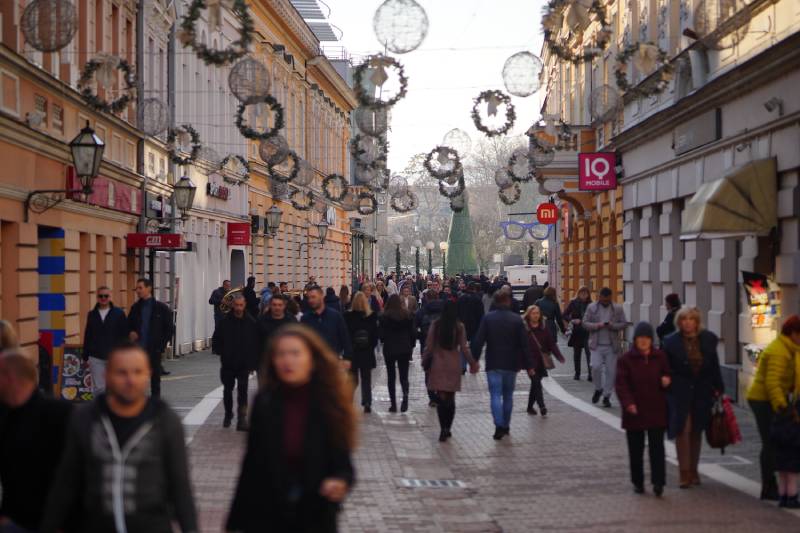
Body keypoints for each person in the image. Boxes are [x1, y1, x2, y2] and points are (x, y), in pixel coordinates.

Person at [41, 342, 197, 533]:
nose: (130, 380)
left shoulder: (164, 421)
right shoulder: (86, 419)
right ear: (107, 375)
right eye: (121, 372)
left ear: (148, 374)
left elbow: (180, 486)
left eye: (137, 372)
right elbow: (67, 480)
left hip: (151, 526)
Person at [226, 325, 356, 533]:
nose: (288, 361)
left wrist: (340, 481)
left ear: (311, 359)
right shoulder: (265, 402)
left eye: (295, 353)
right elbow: (251, 464)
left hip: (314, 515)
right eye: (280, 354)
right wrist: (234, 522)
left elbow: (343, 464)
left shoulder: (328, 403)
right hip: (268, 515)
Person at [0, 349, 72, 532]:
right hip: (15, 520)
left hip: (54, 522)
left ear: (9, 378)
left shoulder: (59, 414)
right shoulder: (6, 415)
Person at [662, 306, 724, 489]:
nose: (687, 322)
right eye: (684, 319)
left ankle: (694, 470)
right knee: (683, 430)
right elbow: (665, 367)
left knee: (697, 431)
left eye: (691, 319)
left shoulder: (708, 339)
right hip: (679, 392)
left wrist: (719, 388)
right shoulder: (670, 342)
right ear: (679, 322)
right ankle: (684, 472)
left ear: (697, 321)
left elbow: (714, 366)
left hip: (702, 392)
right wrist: (666, 381)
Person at [746, 314, 800, 502]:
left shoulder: (792, 349)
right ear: (793, 333)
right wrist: (783, 407)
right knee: (770, 442)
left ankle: (775, 486)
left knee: (773, 441)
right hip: (763, 400)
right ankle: (769, 486)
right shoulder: (779, 351)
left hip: (774, 400)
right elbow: (773, 383)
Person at [615, 322, 671, 496]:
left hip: (656, 409)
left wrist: (667, 380)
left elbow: (668, 374)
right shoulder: (626, 360)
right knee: (636, 449)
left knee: (657, 448)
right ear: (635, 340)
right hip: (635, 411)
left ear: (651, 340)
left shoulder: (660, 357)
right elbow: (621, 385)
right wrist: (628, 403)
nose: (644, 342)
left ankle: (658, 482)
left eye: (647, 338)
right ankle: (638, 482)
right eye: (641, 338)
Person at [471, 290, 535, 440]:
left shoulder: (488, 319)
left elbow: (478, 341)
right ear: (507, 301)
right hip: (511, 363)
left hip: (493, 362)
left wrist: (474, 360)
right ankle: (506, 425)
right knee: (508, 396)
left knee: (495, 395)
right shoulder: (516, 320)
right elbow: (524, 345)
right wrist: (530, 365)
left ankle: (498, 424)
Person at [423, 301, 478, 442]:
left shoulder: (436, 325)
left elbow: (429, 347)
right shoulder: (459, 326)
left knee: (441, 398)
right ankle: (448, 427)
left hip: (438, 364)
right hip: (453, 364)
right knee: (451, 398)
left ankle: (442, 429)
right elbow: (464, 348)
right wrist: (472, 362)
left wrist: (425, 362)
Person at [212, 293, 260, 431]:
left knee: (243, 391)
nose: (239, 308)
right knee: (227, 390)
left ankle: (242, 418)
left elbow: (255, 344)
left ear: (244, 305)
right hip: (228, 363)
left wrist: (252, 363)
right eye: (236, 305)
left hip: (244, 364)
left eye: (241, 305)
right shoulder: (225, 322)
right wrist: (221, 352)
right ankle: (228, 414)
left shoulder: (251, 322)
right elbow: (217, 339)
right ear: (232, 305)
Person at [127, 278, 174, 399]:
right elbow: (128, 326)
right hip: (137, 349)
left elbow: (169, 328)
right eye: (136, 288)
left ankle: (155, 403)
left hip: (154, 348)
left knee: (154, 377)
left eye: (140, 288)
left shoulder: (160, 308)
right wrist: (131, 332)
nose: (137, 291)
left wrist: (161, 345)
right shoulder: (135, 308)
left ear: (149, 288)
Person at [583, 287, 628, 408]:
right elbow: (585, 323)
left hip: (612, 345)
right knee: (595, 367)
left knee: (611, 372)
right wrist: (597, 325)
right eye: (604, 300)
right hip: (596, 344)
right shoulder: (591, 307)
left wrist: (613, 326)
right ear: (599, 297)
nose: (606, 302)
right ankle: (598, 388)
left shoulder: (617, 308)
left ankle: (607, 396)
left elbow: (624, 323)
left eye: (608, 300)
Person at [82, 286, 128, 394]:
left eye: (106, 296)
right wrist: (85, 356)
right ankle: (100, 410)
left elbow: (124, 335)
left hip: (114, 356)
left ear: (110, 297)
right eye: (100, 296)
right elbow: (88, 335)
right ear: (97, 297)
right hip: (96, 356)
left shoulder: (119, 313)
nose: (103, 298)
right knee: (99, 388)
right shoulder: (92, 314)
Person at [523, 305, 565, 416]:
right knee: (536, 383)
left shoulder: (543, 327)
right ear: (528, 314)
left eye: (537, 313)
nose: (536, 315)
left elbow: (551, 343)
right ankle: (542, 406)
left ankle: (529, 407)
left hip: (542, 361)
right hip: (530, 361)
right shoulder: (524, 328)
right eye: (533, 313)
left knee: (535, 384)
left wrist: (559, 356)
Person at [379, 294, 416, 413]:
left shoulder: (384, 317)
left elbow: (382, 335)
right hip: (404, 348)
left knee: (391, 377)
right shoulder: (407, 315)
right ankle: (405, 398)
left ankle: (393, 404)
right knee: (404, 376)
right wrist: (411, 345)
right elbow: (412, 333)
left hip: (390, 348)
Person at [344, 292, 379, 414]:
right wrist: (370, 346)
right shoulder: (371, 316)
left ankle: (348, 401)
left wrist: (347, 350)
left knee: (352, 379)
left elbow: (346, 335)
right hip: (367, 352)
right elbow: (375, 336)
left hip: (353, 352)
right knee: (366, 379)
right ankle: (367, 402)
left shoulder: (348, 316)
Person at [301, 286, 353, 367]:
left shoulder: (335, 316)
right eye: (309, 298)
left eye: (313, 297)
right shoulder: (305, 319)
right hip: (312, 364)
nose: (310, 300)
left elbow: (345, 337)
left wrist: (347, 358)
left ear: (321, 296)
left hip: (332, 361)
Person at [417, 289, 445, 407]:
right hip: (443, 345)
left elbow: (415, 327)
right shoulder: (445, 309)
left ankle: (432, 397)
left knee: (428, 371)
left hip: (427, 345)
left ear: (426, 298)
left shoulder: (422, 311)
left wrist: (421, 337)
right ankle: (439, 393)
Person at [563, 286, 592, 381]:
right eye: (581, 293)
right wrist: (572, 320)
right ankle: (577, 373)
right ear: (578, 293)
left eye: (585, 293)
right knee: (577, 353)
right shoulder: (573, 303)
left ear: (588, 295)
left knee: (589, 353)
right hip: (577, 332)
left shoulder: (591, 304)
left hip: (588, 332)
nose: (583, 295)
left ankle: (590, 374)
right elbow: (564, 315)